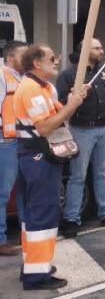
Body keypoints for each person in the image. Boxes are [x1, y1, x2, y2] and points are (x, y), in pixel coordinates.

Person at [14, 45, 88, 289]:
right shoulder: (32, 89)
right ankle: (37, 275)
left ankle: (34, 266)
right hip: (38, 155)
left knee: (35, 213)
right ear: (36, 63)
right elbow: (45, 128)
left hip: (37, 155)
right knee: (43, 214)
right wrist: (71, 105)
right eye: (51, 58)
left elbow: (57, 114)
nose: (56, 61)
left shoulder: (44, 88)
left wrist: (74, 100)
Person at [57, 39, 105, 237]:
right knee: (77, 176)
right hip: (81, 130)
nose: (101, 50)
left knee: (102, 173)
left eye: (101, 47)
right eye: (97, 48)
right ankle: (71, 218)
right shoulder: (70, 75)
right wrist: (74, 97)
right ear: (84, 51)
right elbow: (59, 104)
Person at [0, 41, 26, 257]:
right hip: (5, 142)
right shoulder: (1, 76)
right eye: (23, 56)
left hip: (22, 140)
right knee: (2, 194)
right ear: (10, 58)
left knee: (24, 190)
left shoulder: (23, 78)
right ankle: (0, 240)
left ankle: (26, 232)